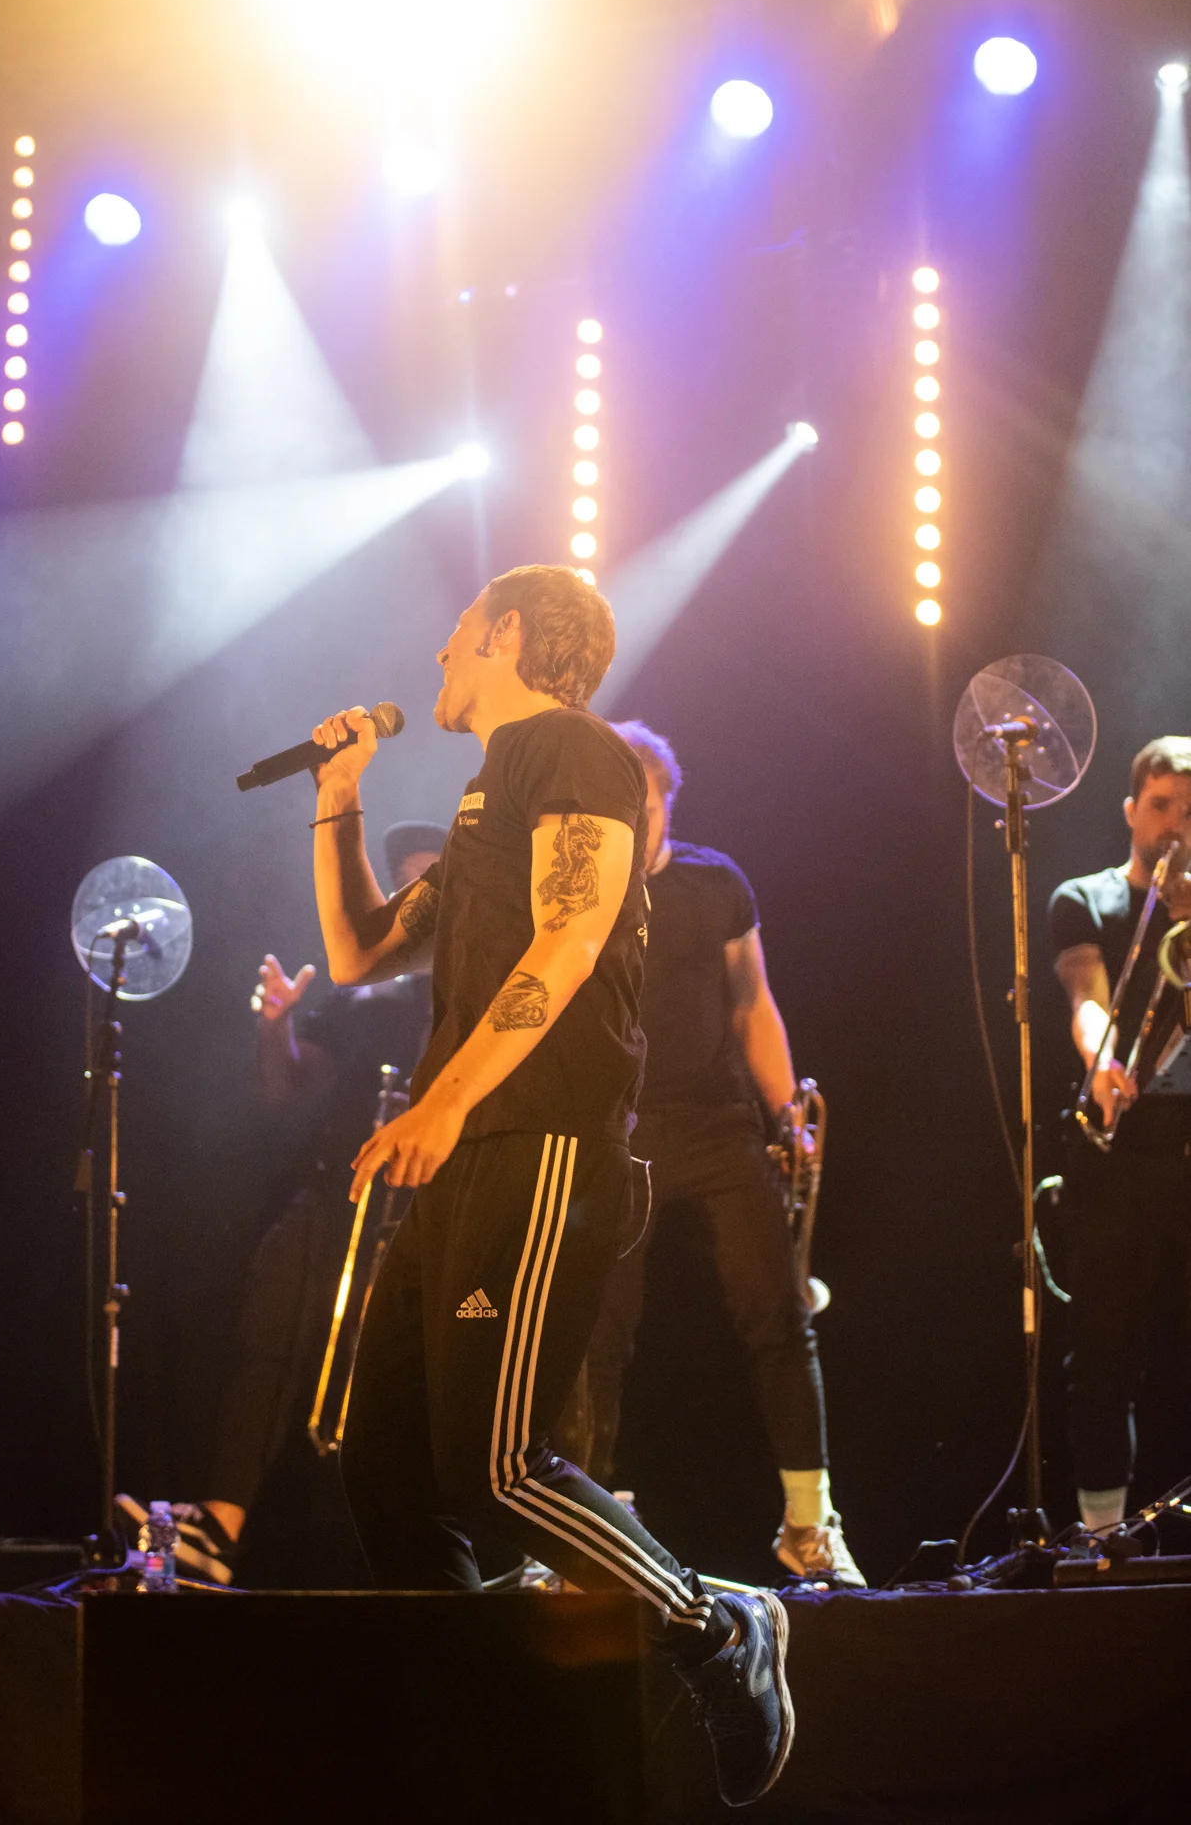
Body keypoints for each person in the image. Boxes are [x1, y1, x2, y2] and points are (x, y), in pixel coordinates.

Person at [305, 565, 793, 1810]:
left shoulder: (572, 748)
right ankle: (479, 1731)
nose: (438, 657)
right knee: (383, 1466)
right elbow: (357, 949)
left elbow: (571, 939)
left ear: (509, 632)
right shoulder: (488, 797)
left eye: (456, 633)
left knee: (500, 1464)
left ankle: (718, 1623)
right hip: (468, 1150)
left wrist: (446, 1099)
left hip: (543, 1140)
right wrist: (339, 801)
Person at [117, 821, 444, 1585]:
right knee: (271, 1323)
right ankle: (218, 1529)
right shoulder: (365, 991)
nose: (415, 894)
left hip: (430, 1208)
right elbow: (282, 1090)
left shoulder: (480, 983)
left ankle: (427, 1556)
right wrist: (277, 1025)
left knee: (413, 1377)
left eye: (429, 880)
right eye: (404, 881)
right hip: (340, 1193)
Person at [574, 723, 863, 1586]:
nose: (635, 821)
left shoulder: (716, 882)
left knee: (778, 1311)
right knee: (598, 1330)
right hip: (617, 1134)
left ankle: (809, 1525)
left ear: (668, 801)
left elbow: (750, 1004)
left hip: (717, 1124)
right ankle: (584, 1528)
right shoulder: (577, 891)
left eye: (646, 804)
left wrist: (785, 1112)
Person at [1049, 735, 1191, 1534]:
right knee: (1102, 1357)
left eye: (1189, 812)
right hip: (1118, 1153)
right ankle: (1101, 1542)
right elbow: (1084, 993)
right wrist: (1099, 1059)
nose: (1175, 825)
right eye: (1161, 807)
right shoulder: (1084, 898)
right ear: (1132, 811)